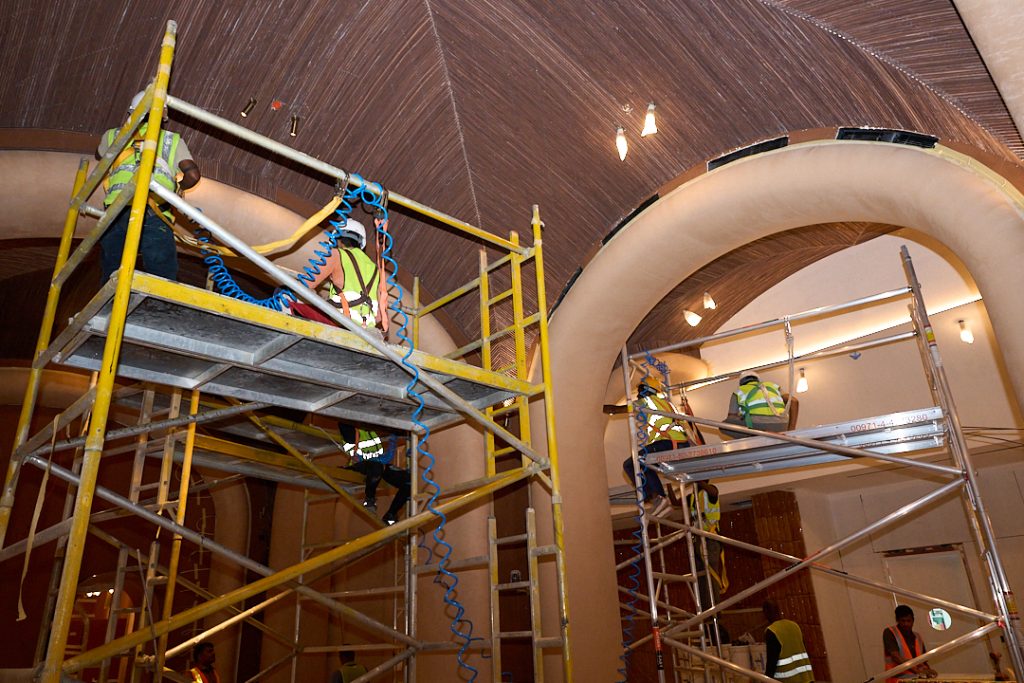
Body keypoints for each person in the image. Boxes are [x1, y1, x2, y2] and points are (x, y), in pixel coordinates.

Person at [97, 90, 200, 283]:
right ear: (163, 116)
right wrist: (178, 190)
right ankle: (161, 307)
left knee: (112, 267)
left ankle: (109, 307)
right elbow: (193, 175)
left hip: (116, 209)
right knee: (161, 272)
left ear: (131, 113)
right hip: (154, 208)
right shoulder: (172, 140)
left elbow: (98, 155)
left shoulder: (112, 136)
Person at [292, 217, 388, 332]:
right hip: (365, 330)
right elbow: (380, 316)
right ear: (361, 242)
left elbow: (307, 285)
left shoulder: (337, 254)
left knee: (287, 295)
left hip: (340, 323)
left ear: (339, 239)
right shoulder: (375, 269)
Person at [620, 377, 691, 514]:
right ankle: (661, 500)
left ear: (647, 390)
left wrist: (606, 409)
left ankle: (657, 497)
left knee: (630, 464)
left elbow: (625, 408)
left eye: (640, 389)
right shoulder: (668, 404)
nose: (638, 393)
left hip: (666, 443)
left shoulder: (648, 401)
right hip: (680, 443)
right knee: (646, 464)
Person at [340, 426, 410, 525]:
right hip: (360, 465)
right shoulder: (350, 429)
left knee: (409, 482)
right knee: (376, 469)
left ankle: (390, 515)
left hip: (380, 465)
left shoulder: (373, 427)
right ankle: (369, 500)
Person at [687, 481, 727, 613]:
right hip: (698, 539)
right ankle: (705, 610)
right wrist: (667, 485)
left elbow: (714, 493)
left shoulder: (710, 491)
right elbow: (675, 502)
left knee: (711, 576)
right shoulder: (692, 496)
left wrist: (697, 479)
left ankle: (714, 611)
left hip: (710, 539)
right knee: (701, 577)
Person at [722, 372, 788, 439]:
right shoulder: (773, 386)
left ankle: (758, 434)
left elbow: (731, 418)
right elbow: (794, 401)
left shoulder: (739, 391)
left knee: (724, 425)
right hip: (782, 425)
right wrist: (791, 428)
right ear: (758, 380)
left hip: (758, 426)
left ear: (741, 383)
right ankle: (760, 433)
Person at [763, 600, 814, 682]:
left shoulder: (772, 631)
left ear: (766, 612)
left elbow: (771, 663)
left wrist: (765, 680)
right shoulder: (794, 626)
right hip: (807, 678)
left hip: (788, 680)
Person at [883, 605, 937, 680]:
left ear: (913, 620)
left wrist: (927, 670)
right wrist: (917, 671)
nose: (906, 624)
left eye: (908, 621)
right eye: (903, 621)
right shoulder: (890, 632)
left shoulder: (917, 636)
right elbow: (896, 657)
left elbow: (923, 660)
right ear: (897, 620)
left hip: (916, 678)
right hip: (897, 679)